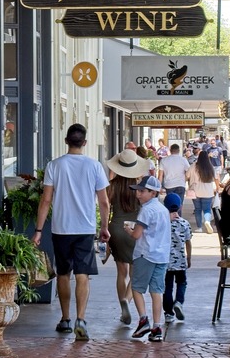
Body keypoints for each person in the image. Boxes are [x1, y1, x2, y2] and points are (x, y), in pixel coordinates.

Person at [32, 123, 110, 341]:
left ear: (67, 141)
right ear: (84, 143)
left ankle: (65, 319)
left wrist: (38, 230)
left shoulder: (55, 166)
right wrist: (104, 227)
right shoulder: (94, 166)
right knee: (82, 274)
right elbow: (104, 202)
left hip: (61, 228)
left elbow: (46, 199)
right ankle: (81, 319)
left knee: (63, 273)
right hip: (85, 228)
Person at [105, 149, 150, 326]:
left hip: (116, 228)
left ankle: (122, 306)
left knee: (121, 272)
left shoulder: (111, 186)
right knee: (135, 272)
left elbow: (106, 208)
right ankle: (127, 301)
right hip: (134, 229)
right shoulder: (140, 187)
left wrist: (104, 229)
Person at [126, 175, 170, 343]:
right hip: (161, 255)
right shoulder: (163, 209)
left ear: (153, 192)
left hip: (145, 254)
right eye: (138, 191)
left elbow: (137, 235)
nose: (138, 194)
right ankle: (157, 326)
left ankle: (143, 320)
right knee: (156, 291)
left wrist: (128, 230)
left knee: (137, 288)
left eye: (142, 191)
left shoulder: (146, 210)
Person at [162, 193, 192, 324]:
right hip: (180, 261)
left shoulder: (163, 224)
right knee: (182, 282)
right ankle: (179, 302)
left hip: (166, 262)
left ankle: (168, 313)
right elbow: (188, 242)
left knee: (167, 287)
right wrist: (188, 258)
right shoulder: (184, 223)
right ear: (180, 206)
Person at [186, 152, 220, 234]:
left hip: (196, 191)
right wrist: (217, 187)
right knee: (207, 209)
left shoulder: (193, 166)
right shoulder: (210, 167)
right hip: (208, 192)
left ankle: (199, 227)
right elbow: (216, 178)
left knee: (198, 210)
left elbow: (187, 176)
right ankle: (207, 221)